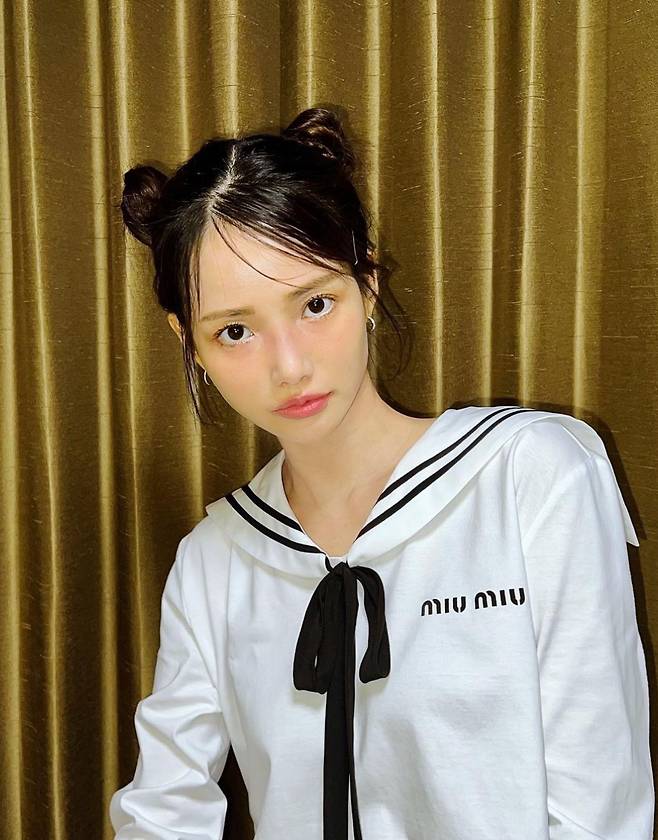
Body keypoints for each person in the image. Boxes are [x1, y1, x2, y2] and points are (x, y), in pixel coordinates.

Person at [109, 107, 654, 839]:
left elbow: (601, 810)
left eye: (315, 304)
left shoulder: (531, 476)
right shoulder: (215, 561)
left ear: (366, 283)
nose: (289, 365)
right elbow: (162, 812)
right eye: (234, 330)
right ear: (189, 340)